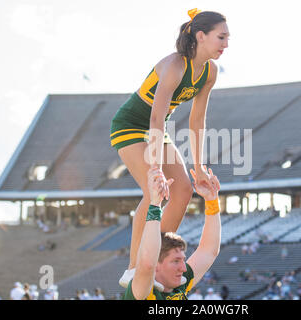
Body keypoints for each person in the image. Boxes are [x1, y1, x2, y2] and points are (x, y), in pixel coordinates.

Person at [112, 9, 229, 290]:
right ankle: (134, 268)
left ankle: (156, 260)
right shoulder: (175, 65)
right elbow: (154, 117)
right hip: (132, 124)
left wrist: (199, 167)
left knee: (183, 190)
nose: (226, 44)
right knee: (153, 190)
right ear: (201, 36)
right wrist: (154, 166)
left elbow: (197, 119)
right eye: (221, 37)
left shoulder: (209, 72)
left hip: (156, 128)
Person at [123, 166, 221, 300]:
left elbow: (209, 250)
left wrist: (212, 201)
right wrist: (155, 204)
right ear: (156, 265)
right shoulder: (143, 291)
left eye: (182, 260)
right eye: (176, 261)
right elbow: (147, 264)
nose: (183, 268)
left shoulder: (180, 284)